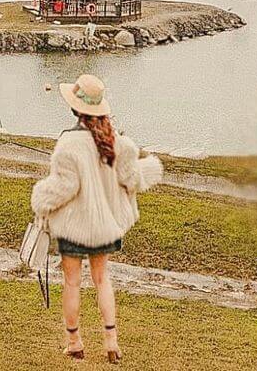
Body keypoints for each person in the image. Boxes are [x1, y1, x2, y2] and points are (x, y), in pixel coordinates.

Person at [31, 74, 163, 362]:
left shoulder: (68, 144)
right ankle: (111, 342)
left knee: (73, 283)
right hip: (104, 228)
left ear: (75, 108)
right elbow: (131, 179)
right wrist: (151, 167)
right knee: (103, 280)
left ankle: (74, 341)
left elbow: (64, 188)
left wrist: (40, 198)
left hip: (74, 229)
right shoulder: (119, 144)